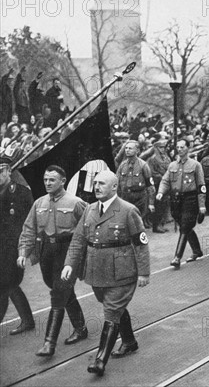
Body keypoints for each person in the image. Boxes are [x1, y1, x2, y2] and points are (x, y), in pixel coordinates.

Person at [61, 170, 150, 377]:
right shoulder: (90, 209)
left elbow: (140, 244)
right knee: (112, 307)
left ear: (114, 187)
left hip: (122, 272)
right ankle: (129, 341)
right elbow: (78, 240)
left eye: (102, 183)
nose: (97, 187)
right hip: (96, 271)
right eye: (95, 184)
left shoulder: (128, 210)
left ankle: (100, 360)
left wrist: (144, 272)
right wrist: (69, 264)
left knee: (111, 311)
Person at [17, 165, 88, 356]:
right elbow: (29, 229)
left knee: (58, 293)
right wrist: (23, 252)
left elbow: (88, 229)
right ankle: (81, 328)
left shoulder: (76, 203)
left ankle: (49, 343)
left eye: (52, 180)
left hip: (69, 251)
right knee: (58, 287)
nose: (48, 183)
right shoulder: (39, 203)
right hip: (47, 251)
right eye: (45, 180)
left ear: (62, 181)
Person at [156, 140, 206, 268]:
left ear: (188, 148)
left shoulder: (195, 165)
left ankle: (177, 257)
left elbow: (201, 186)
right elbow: (165, 181)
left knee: (184, 226)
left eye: (182, 147)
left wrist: (201, 205)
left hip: (190, 199)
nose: (180, 149)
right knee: (185, 226)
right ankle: (197, 251)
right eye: (177, 147)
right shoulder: (172, 165)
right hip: (176, 200)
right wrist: (161, 192)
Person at [0, 157, 35, 334]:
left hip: (14, 246)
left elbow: (29, 220)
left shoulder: (20, 192)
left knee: (6, 284)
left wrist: (25, 247)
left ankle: (27, 321)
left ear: (8, 171)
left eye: (0, 171)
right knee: (9, 284)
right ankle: (27, 320)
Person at [116, 141, 156, 229]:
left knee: (137, 224)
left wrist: (151, 203)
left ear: (137, 151)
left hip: (139, 198)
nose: (127, 150)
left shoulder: (143, 165)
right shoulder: (122, 165)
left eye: (130, 148)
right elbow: (116, 184)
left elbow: (150, 186)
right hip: (125, 198)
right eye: (126, 148)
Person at [146, 139, 171, 233]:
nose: (163, 149)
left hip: (166, 184)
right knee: (158, 205)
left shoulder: (166, 158)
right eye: (160, 147)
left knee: (164, 205)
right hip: (157, 184)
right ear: (156, 148)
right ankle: (156, 226)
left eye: (164, 147)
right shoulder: (152, 159)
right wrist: (162, 177)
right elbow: (152, 172)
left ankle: (161, 224)